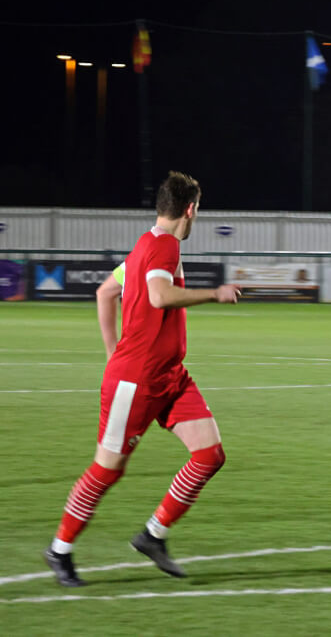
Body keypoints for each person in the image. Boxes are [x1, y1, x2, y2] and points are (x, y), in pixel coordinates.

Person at [44, 171, 242, 587]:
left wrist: (110, 348)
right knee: (107, 469)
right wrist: (215, 293)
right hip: (135, 382)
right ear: (190, 209)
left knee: (209, 454)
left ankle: (153, 535)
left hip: (169, 376)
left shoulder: (144, 247)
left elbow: (104, 292)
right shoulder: (165, 246)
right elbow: (158, 296)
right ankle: (59, 549)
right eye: (198, 210)